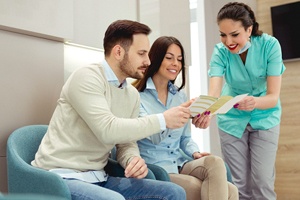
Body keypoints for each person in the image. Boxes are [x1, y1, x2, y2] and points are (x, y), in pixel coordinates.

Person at [31, 20, 191, 200]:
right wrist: (162, 120)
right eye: (141, 54)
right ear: (118, 52)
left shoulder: (131, 94)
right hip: (61, 177)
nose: (148, 61)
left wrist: (132, 159)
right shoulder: (86, 78)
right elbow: (108, 130)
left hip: (99, 177)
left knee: (173, 192)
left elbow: (126, 142)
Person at [193, 2, 286, 200]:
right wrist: (206, 111)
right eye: (223, 35)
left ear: (249, 29)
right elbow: (214, 91)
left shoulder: (270, 46)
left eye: (234, 34)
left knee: (262, 183)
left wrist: (254, 102)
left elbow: (272, 97)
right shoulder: (220, 52)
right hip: (232, 120)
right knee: (238, 186)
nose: (228, 41)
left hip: (265, 117)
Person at [132, 36, 238, 200]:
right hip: (157, 167)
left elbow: (185, 138)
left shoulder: (180, 96)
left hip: (181, 162)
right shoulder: (137, 97)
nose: (176, 63)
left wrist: (194, 152)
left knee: (215, 163)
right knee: (228, 191)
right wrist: (175, 114)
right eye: (169, 58)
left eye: (179, 60)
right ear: (156, 59)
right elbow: (154, 136)